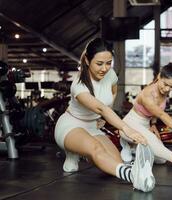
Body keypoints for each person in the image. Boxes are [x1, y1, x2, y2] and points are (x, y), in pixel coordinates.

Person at [54, 38, 155, 192]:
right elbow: (101, 108)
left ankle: (78, 152)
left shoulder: (110, 74)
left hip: (92, 126)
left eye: (109, 63)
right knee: (95, 149)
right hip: (71, 125)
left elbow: (113, 91)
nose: (105, 68)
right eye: (99, 63)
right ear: (87, 61)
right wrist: (127, 129)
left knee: (115, 162)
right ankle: (134, 176)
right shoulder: (79, 85)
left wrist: (102, 116)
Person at [119, 63, 172, 173]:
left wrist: (153, 124)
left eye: (171, 87)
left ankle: (133, 149)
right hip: (129, 125)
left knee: (161, 159)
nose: (167, 89)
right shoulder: (147, 94)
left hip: (145, 125)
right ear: (159, 76)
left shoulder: (163, 91)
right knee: (150, 140)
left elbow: (154, 114)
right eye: (165, 84)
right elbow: (161, 114)